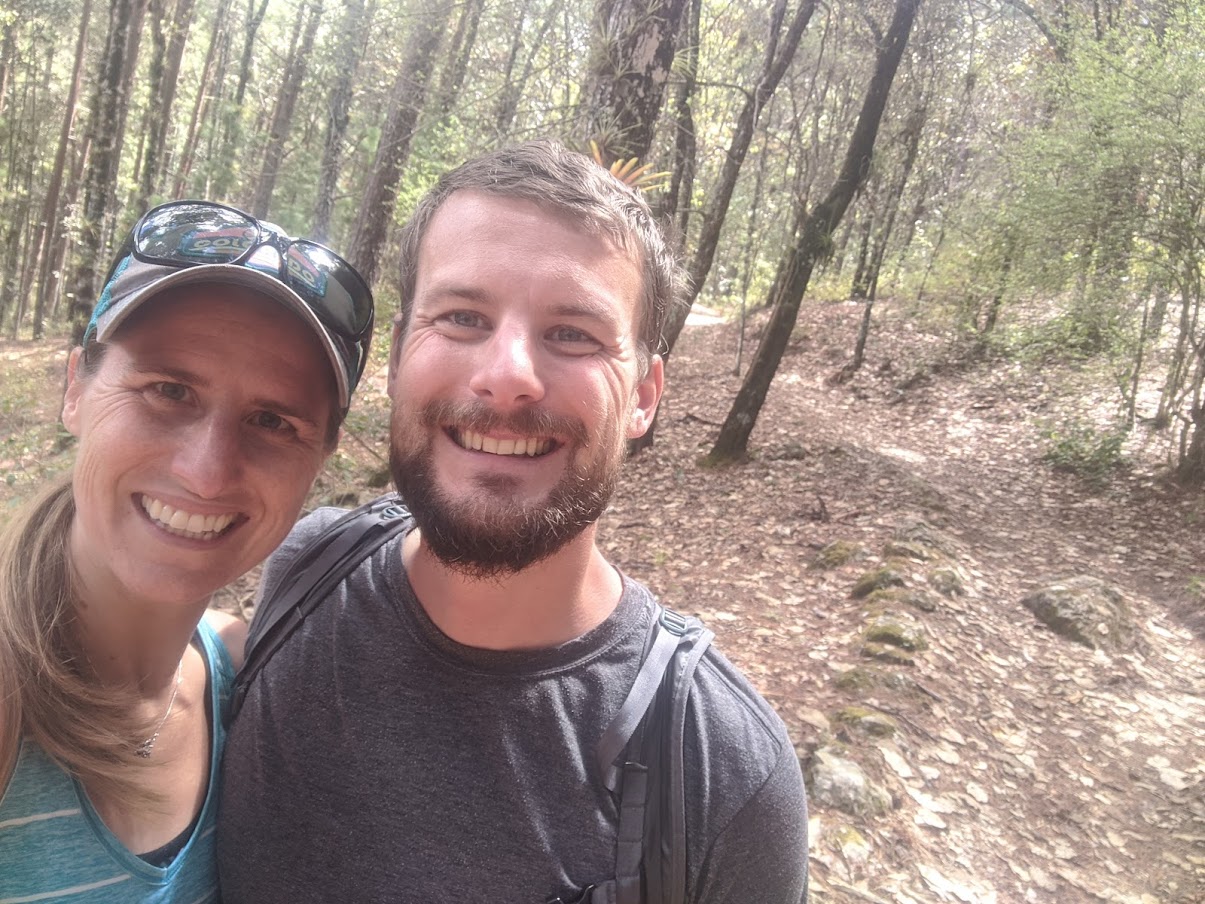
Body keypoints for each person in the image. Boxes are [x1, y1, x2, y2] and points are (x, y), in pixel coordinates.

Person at [218, 141, 809, 902]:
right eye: (462, 316)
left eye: (573, 334)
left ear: (643, 395)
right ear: (398, 353)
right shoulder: (307, 569)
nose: (507, 377)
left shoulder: (718, 776)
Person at [0, 200, 374, 901]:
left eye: (272, 421)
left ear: (317, 461)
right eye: (168, 390)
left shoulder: (240, 677)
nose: (206, 471)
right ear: (76, 388)